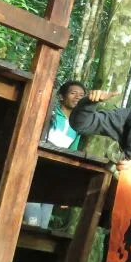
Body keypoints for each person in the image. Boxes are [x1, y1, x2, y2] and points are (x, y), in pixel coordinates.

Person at [24, 79, 86, 229]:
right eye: (73, 93)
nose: (77, 97)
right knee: (32, 221)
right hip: (35, 170)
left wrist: (65, 189)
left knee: (43, 226)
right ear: (61, 97)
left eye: (81, 95)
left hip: (54, 176)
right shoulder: (49, 113)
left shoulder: (78, 125)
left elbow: (71, 156)